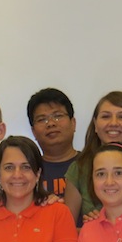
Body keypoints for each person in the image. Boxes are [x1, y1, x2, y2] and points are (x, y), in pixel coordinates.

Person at [64, 91, 122, 225]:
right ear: (95, 125)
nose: (113, 123)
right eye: (106, 116)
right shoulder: (78, 169)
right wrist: (93, 227)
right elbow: (67, 231)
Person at [26, 88, 81, 218]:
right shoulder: (27, 172)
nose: (50, 123)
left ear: (73, 123)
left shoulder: (92, 165)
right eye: (42, 119)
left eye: (58, 116)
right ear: (33, 131)